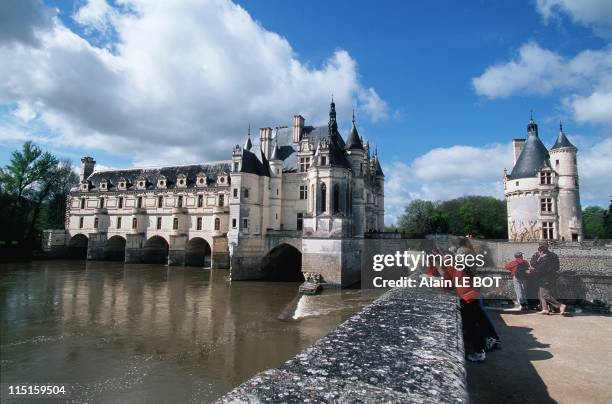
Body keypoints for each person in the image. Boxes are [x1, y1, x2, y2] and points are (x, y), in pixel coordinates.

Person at [443, 265, 501, 362]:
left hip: (467, 299)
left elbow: (445, 285)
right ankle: (491, 339)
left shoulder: (450, 268)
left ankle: (479, 353)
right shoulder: (462, 267)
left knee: (472, 326)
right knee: (479, 321)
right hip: (474, 296)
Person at [529, 242, 567, 315]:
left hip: (546, 278)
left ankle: (560, 306)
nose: (541, 249)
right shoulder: (538, 255)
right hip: (547, 277)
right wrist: (539, 258)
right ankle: (545, 309)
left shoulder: (549, 256)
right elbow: (533, 263)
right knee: (541, 293)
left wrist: (539, 260)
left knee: (545, 294)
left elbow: (540, 268)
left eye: (542, 247)